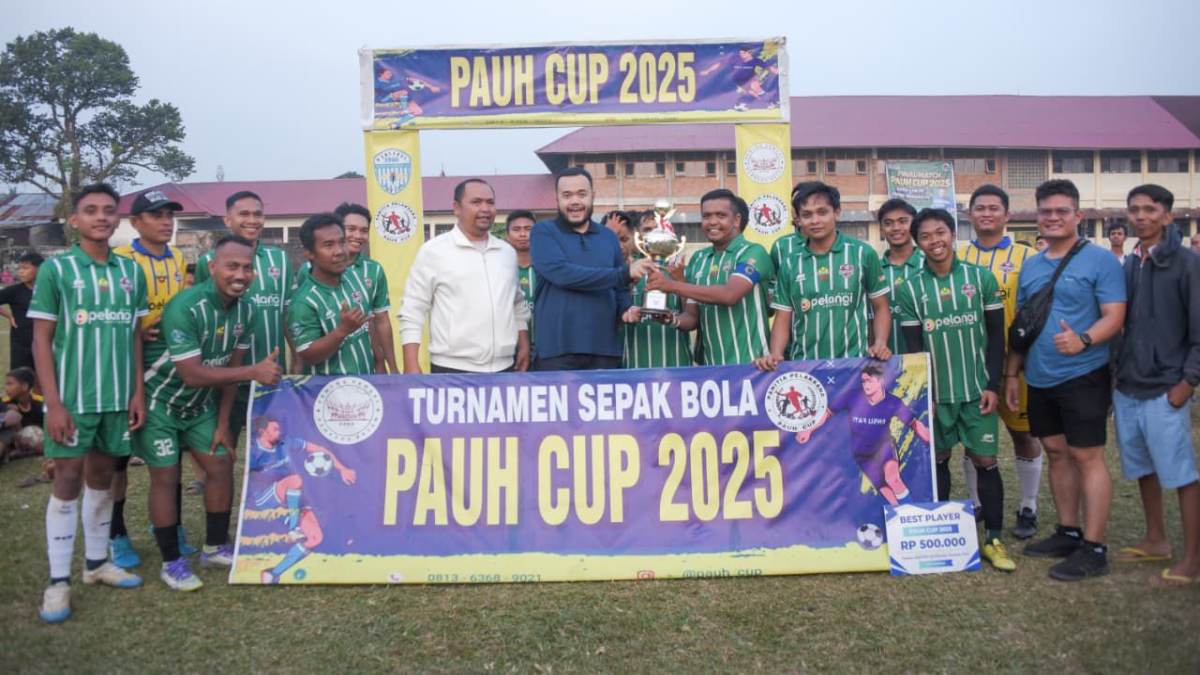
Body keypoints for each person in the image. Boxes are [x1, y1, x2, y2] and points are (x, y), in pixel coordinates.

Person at [28, 183, 147, 622]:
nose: (101, 217)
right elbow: (41, 340)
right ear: (75, 221)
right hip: (73, 398)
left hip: (116, 397)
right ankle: (58, 581)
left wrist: (137, 391)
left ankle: (96, 564)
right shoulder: (56, 271)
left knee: (103, 477)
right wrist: (53, 404)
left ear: (117, 219)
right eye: (91, 210)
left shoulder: (130, 272)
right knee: (67, 479)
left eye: (108, 210)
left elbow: (135, 336)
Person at [137, 235, 283, 590]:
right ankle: (172, 561)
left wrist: (222, 424)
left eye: (247, 268)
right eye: (232, 266)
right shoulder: (185, 306)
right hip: (160, 401)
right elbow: (191, 373)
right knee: (166, 476)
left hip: (200, 405)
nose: (241, 275)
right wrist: (253, 371)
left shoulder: (247, 310)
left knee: (219, 463)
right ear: (212, 267)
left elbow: (231, 371)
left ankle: (215, 547)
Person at [1005, 179, 1126, 582]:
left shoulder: (1101, 261)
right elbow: (1024, 325)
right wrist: (1012, 372)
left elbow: (1115, 315)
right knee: (1056, 451)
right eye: (1046, 211)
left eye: (1061, 211)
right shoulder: (1032, 264)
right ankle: (1068, 530)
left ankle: (1094, 547)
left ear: (1078, 215)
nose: (1053, 217)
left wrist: (1084, 339)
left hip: (1083, 375)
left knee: (1087, 456)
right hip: (1040, 376)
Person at [895, 208, 1013, 571]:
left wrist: (993, 385)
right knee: (939, 460)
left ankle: (993, 540)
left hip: (976, 392)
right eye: (925, 236)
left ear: (953, 234)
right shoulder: (910, 289)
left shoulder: (981, 278)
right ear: (918, 243)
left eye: (940, 232)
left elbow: (997, 337)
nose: (935, 241)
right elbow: (914, 348)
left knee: (985, 461)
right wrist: (925, 395)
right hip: (938, 397)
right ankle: (938, 534)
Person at [1111, 184, 1200, 586]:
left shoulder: (1187, 263)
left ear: (1167, 215)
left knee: (1180, 475)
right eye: (1134, 209)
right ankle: (1155, 539)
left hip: (1167, 387)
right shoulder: (1131, 262)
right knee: (1142, 467)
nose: (1140, 216)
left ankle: (1192, 559)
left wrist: (1187, 382)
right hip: (1128, 385)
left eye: (1150, 209)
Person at [109, 189, 190, 569]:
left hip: (168, 367)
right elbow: (112, 313)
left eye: (169, 215)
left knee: (170, 451)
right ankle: (116, 533)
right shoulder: (121, 259)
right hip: (126, 364)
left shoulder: (178, 258)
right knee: (118, 456)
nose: (166, 222)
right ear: (136, 222)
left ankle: (171, 527)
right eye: (156, 215)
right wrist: (136, 330)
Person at [959, 184, 1044, 540]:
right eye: (980, 208)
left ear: (1007, 215)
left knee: (1023, 434)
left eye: (994, 208)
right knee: (972, 437)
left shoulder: (1028, 257)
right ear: (970, 214)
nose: (986, 214)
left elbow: (1035, 311)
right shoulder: (958, 254)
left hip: (1015, 365)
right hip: (969, 364)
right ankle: (976, 504)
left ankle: (1028, 505)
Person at [398, 179, 530, 374]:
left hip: (505, 368)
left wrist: (524, 345)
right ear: (456, 208)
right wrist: (411, 364)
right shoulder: (433, 251)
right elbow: (413, 310)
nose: (485, 209)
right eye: (476, 202)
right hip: (452, 369)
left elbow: (517, 303)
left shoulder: (506, 252)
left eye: (490, 202)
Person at [756, 181, 890, 369]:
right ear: (798, 220)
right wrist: (776, 353)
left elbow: (881, 307)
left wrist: (881, 342)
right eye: (807, 215)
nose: (815, 220)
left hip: (853, 365)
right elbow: (782, 317)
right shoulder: (790, 263)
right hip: (804, 366)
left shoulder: (863, 253)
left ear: (837, 212)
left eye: (822, 212)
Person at [530, 168, 653, 370]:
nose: (575, 201)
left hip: (604, 349)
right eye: (567, 195)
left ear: (593, 196)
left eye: (582, 194)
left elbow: (619, 287)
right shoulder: (543, 232)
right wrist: (624, 273)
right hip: (557, 350)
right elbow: (563, 274)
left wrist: (626, 308)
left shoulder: (608, 236)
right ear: (557, 199)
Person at [194, 191, 292, 441]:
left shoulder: (280, 259)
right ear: (228, 220)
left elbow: (287, 314)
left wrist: (297, 363)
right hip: (226, 377)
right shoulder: (209, 261)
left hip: (271, 374)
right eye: (244, 214)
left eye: (258, 214)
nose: (252, 220)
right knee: (222, 444)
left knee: (273, 446)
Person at [644, 189, 772, 365]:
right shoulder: (699, 259)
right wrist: (671, 319)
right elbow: (692, 317)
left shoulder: (753, 252)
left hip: (752, 364)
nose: (712, 222)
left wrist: (672, 285)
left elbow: (729, 295)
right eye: (706, 216)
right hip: (710, 368)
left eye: (721, 215)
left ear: (736, 220)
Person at [797, 362, 930, 505]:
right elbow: (827, 413)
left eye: (869, 381)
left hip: (884, 449)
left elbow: (914, 423)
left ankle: (911, 513)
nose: (866, 384)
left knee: (893, 479)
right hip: (862, 455)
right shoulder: (852, 396)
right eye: (863, 381)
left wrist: (929, 438)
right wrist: (808, 430)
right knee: (887, 492)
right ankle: (901, 515)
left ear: (880, 381)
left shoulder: (893, 402)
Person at [248, 415, 354, 584]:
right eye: (275, 429)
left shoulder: (286, 442)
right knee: (295, 480)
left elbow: (320, 450)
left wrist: (342, 469)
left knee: (315, 538)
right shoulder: (253, 451)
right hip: (264, 496)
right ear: (262, 432)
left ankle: (273, 574)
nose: (279, 432)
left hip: (292, 496)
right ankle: (293, 527)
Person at [288, 214, 376, 375]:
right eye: (328, 245)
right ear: (309, 253)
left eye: (342, 242)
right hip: (329, 388)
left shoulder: (354, 278)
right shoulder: (303, 302)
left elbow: (370, 325)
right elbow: (308, 355)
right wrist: (342, 331)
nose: (340, 251)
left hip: (366, 382)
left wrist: (380, 362)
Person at [332, 202, 396, 373]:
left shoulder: (374, 270)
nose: (358, 235)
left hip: (364, 368)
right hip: (325, 370)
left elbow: (381, 321)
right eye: (351, 229)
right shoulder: (311, 269)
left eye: (364, 231)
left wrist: (393, 368)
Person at [876, 199, 924, 355]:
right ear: (881, 230)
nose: (896, 228)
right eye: (888, 223)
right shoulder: (873, 269)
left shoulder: (929, 264)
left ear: (915, 226)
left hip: (926, 360)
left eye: (903, 221)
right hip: (884, 361)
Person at [0, 252, 43, 371]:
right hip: (20, 346)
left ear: (39, 269)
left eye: (25, 268)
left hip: (44, 344)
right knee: (20, 378)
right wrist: (9, 316)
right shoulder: (14, 291)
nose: (20, 272)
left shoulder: (48, 290)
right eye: (19, 268)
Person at [0, 367, 44, 463]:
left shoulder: (40, 403)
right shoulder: (4, 403)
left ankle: (23, 452)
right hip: (12, 439)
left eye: (10, 384)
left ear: (24, 386)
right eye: (6, 384)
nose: (6, 388)